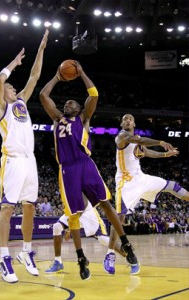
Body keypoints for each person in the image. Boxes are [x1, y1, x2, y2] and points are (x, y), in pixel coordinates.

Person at [39, 62, 138, 280]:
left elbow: (93, 94)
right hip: (66, 169)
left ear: (79, 108)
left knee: (105, 203)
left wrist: (82, 73)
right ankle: (81, 257)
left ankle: (127, 244)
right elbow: (43, 96)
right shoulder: (57, 119)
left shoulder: (83, 118)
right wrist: (56, 77)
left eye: (71, 103)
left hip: (85, 163)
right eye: (65, 103)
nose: (67, 104)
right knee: (74, 214)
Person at [0, 29, 49, 283]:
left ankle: (26, 252)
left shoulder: (21, 102)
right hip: (13, 161)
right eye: (10, 87)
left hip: (30, 161)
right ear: (3, 94)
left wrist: (41, 50)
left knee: (29, 208)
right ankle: (4, 257)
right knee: (7, 208)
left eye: (13, 87)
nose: (13, 88)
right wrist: (13, 65)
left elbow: (35, 76)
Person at [104, 113, 189, 275]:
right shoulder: (122, 136)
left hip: (141, 178)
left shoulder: (136, 141)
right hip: (125, 182)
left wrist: (165, 154)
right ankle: (110, 254)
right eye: (124, 119)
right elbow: (141, 141)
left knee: (172, 185)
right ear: (122, 124)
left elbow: (147, 152)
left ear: (134, 122)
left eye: (130, 118)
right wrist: (161, 142)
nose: (127, 120)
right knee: (119, 217)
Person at [45, 195, 129, 274]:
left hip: (88, 213)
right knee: (57, 227)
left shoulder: (74, 182)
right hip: (73, 213)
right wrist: (68, 230)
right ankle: (58, 262)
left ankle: (128, 254)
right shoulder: (63, 185)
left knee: (103, 239)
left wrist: (70, 227)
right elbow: (68, 207)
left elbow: (83, 205)